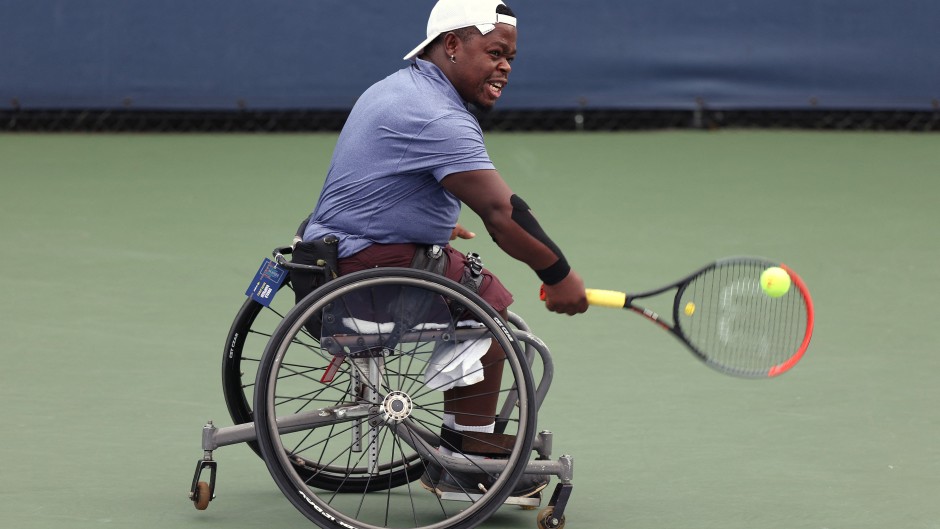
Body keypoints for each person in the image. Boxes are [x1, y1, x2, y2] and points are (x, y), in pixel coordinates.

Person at [298, 0, 588, 497]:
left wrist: (419, 219)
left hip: (331, 260)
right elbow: (502, 214)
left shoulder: (398, 86)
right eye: (495, 52)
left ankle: (464, 443)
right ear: (452, 45)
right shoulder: (437, 115)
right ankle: (466, 464)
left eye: (511, 58)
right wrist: (559, 276)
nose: (505, 67)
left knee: (469, 286)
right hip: (367, 277)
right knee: (488, 305)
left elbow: (377, 182)